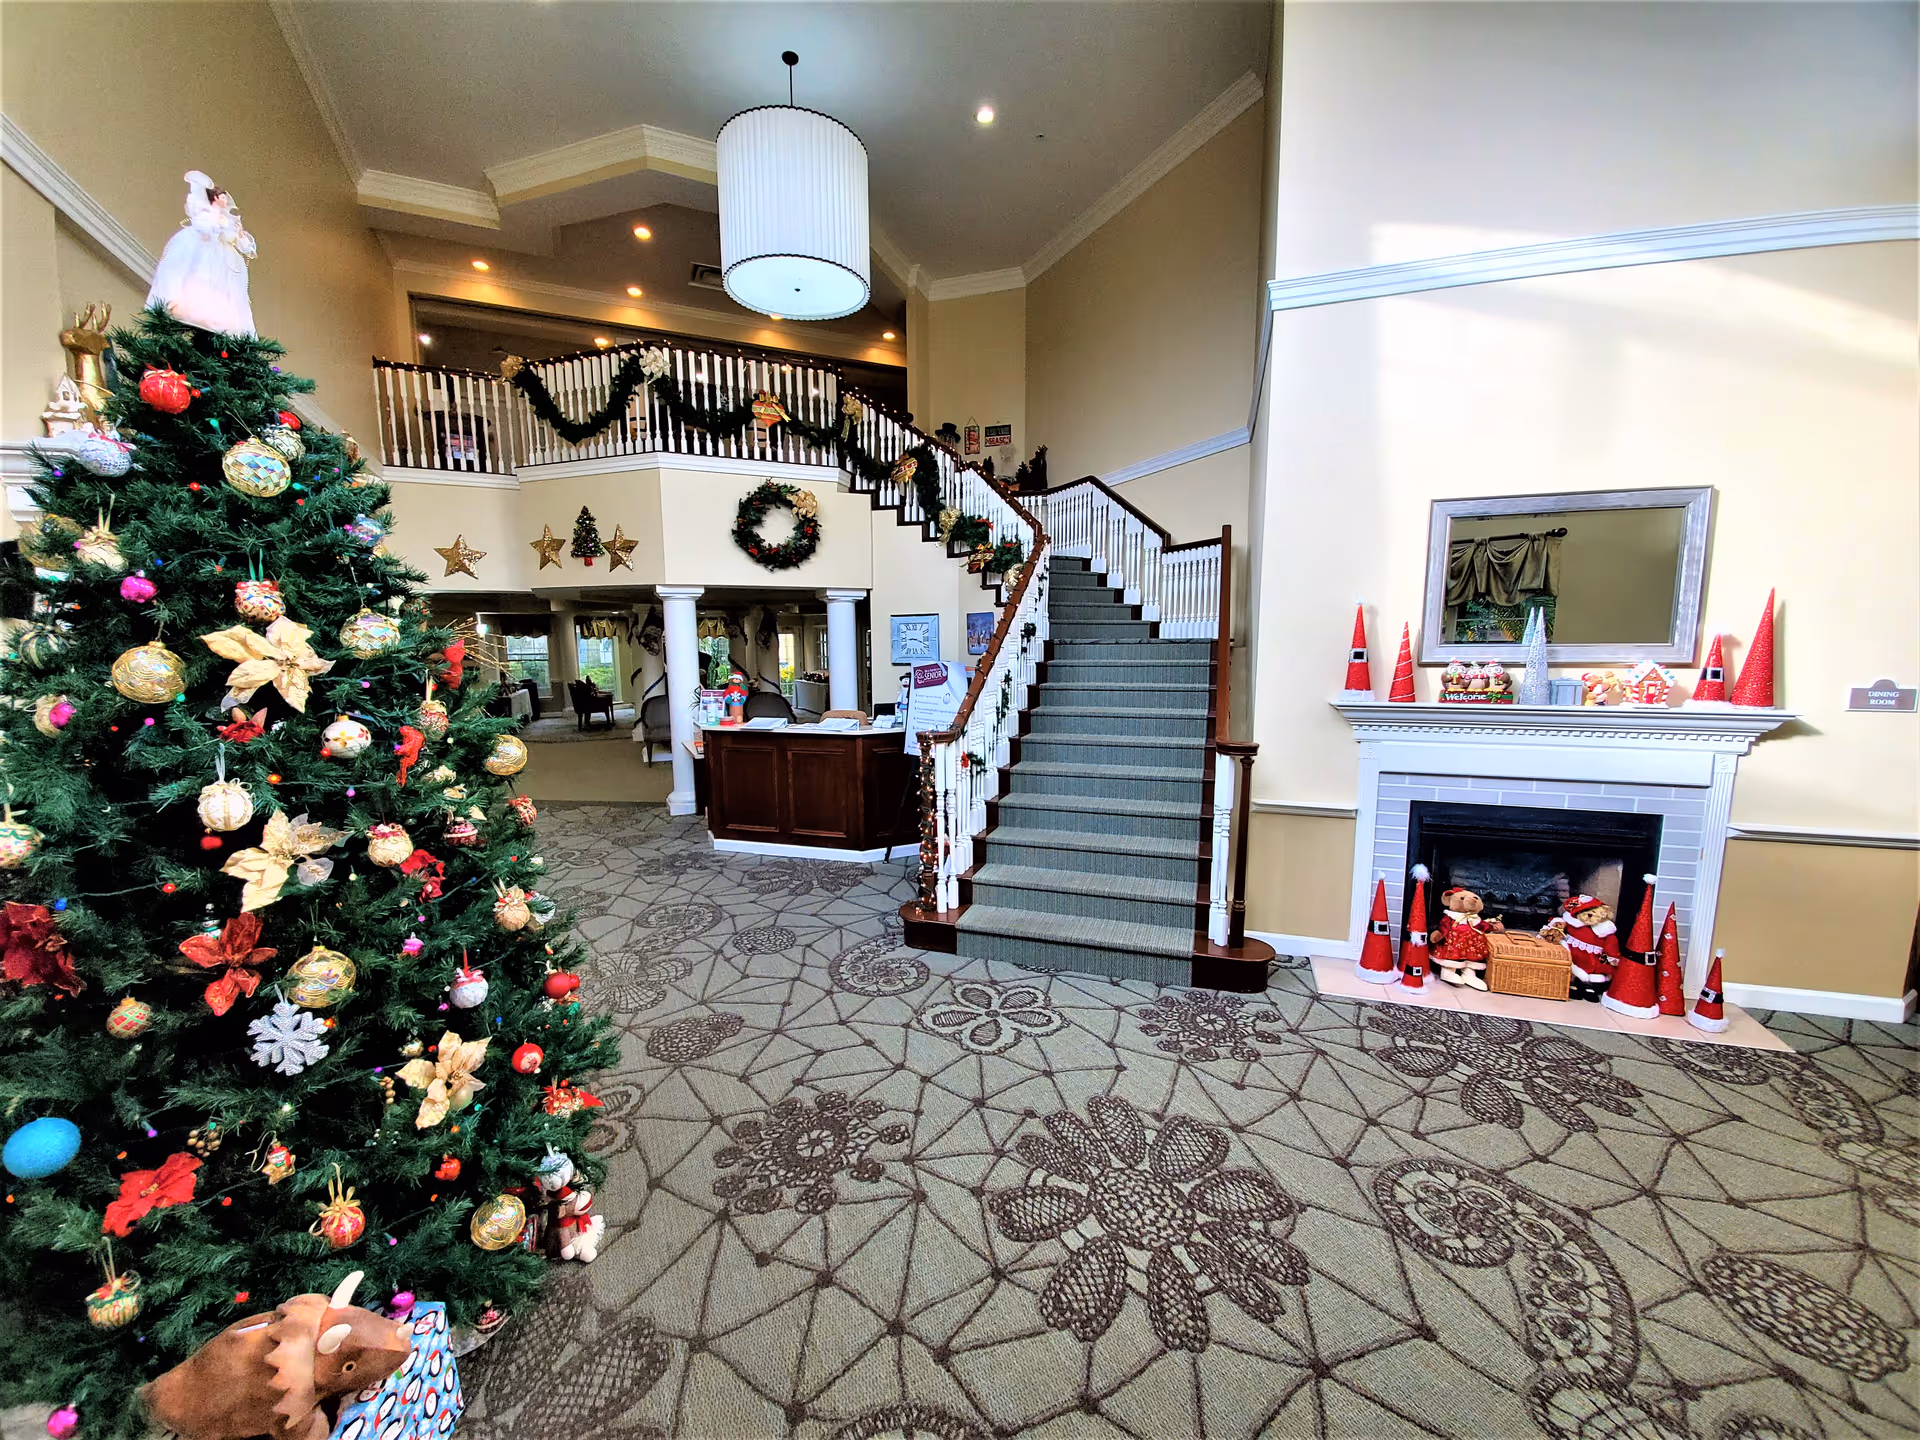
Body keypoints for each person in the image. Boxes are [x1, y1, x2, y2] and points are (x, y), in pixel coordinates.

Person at [146, 171, 256, 335]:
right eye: (222, 197)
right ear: (215, 198)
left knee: (222, 285)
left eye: (226, 198)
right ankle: (185, 306)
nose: (225, 200)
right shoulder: (204, 213)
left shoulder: (227, 219)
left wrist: (238, 234)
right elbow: (204, 227)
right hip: (204, 250)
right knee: (197, 276)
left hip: (220, 256)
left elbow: (236, 240)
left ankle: (218, 317)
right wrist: (216, 225)